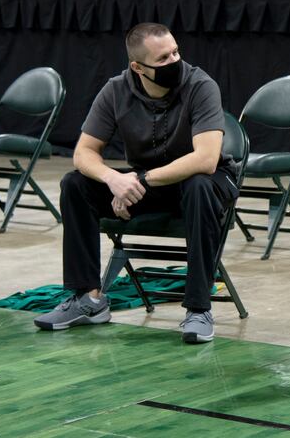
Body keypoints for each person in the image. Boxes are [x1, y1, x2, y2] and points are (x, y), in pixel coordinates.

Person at [34, 23, 239, 344]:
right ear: (138, 67)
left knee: (198, 185)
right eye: (163, 58)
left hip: (208, 182)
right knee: (75, 184)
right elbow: (83, 153)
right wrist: (113, 179)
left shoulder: (201, 85)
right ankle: (87, 299)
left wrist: (139, 181)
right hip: (153, 183)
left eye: (175, 52)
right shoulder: (116, 90)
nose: (174, 61)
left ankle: (199, 309)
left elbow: (206, 159)